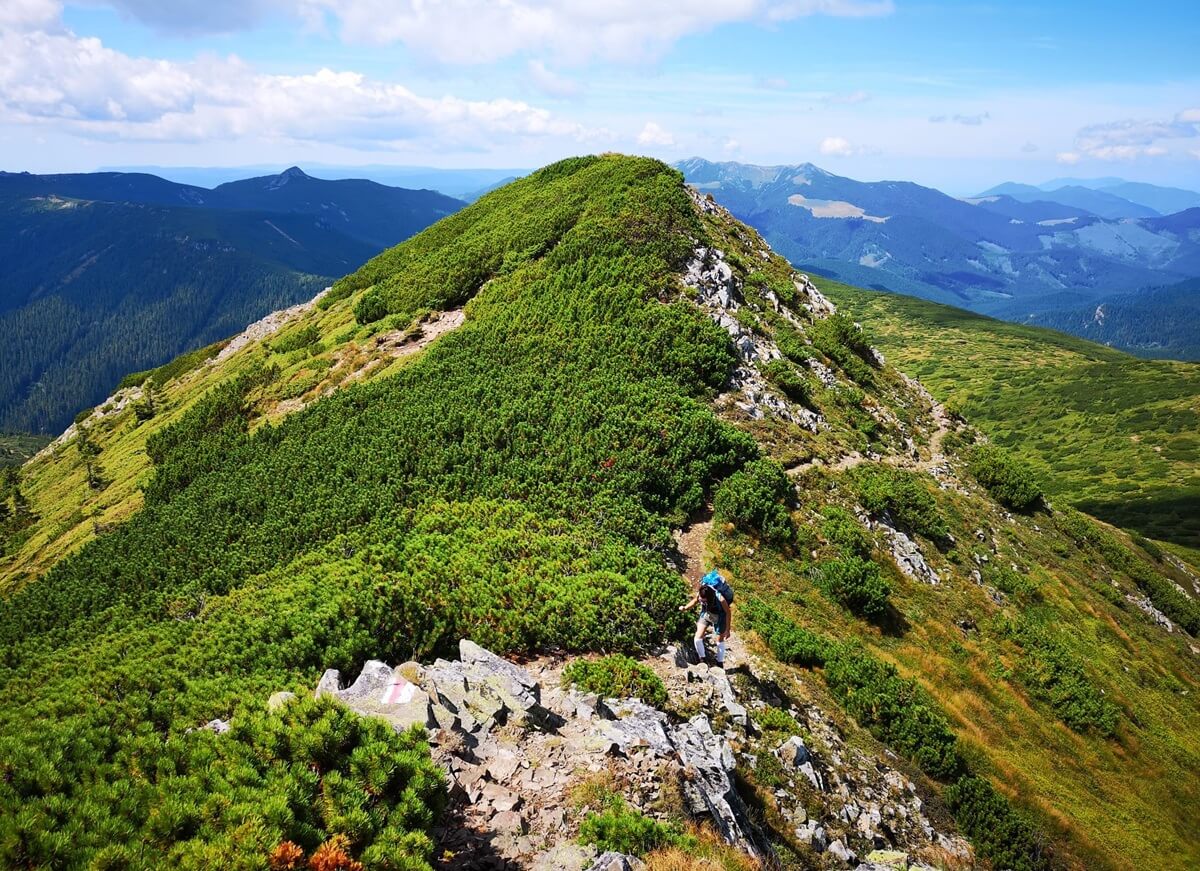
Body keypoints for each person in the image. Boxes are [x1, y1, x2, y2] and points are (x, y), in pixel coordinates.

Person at [680, 580, 731, 666]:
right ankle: (702, 660)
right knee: (697, 638)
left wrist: (727, 629)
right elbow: (695, 601)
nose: (700, 600)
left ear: (710, 598)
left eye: (703, 600)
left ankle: (720, 663)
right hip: (706, 614)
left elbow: (728, 613)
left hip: (720, 617)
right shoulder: (701, 593)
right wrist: (685, 608)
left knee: (719, 641)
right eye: (700, 598)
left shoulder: (720, 599)